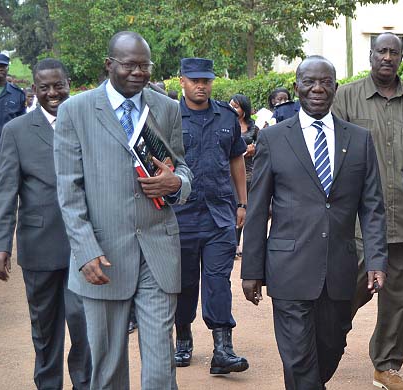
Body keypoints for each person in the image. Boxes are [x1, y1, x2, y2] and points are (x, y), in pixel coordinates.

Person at [54, 31, 193, 389]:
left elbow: (181, 167)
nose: (139, 72)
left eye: (145, 65)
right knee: (109, 364)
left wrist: (176, 183)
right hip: (102, 257)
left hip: (158, 250)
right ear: (109, 65)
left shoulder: (166, 108)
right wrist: (85, 251)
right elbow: (69, 190)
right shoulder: (76, 111)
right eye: (130, 64)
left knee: (162, 364)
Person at [241, 55, 388, 390]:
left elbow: (373, 208)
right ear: (297, 88)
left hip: (339, 269)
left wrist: (377, 259)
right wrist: (252, 269)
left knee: (331, 346)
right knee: (297, 357)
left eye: (325, 82)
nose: (317, 88)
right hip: (288, 267)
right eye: (309, 82)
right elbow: (258, 208)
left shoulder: (359, 139)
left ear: (335, 88)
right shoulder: (273, 138)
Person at [332, 31, 403, 389]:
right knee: (344, 293)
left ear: (402, 57)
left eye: (394, 52)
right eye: (382, 51)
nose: (388, 57)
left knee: (396, 302)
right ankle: (325, 347)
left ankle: (386, 365)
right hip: (358, 226)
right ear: (371, 55)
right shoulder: (345, 98)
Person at [0, 58, 92, 390]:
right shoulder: (16, 131)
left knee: (83, 324)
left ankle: (85, 384)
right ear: (34, 89)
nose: (53, 93)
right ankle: (48, 385)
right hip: (40, 246)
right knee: (46, 331)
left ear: (68, 84)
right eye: (44, 87)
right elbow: (5, 192)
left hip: (85, 248)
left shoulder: (87, 124)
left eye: (58, 85)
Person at [171, 58, 249, 374]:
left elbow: (237, 162)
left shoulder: (226, 117)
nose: (201, 85)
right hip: (181, 216)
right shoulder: (169, 118)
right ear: (182, 82)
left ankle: (223, 349)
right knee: (184, 284)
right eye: (194, 80)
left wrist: (242, 204)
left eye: (206, 80)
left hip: (219, 216)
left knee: (218, 282)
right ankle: (183, 339)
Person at [0, 53, 26, 238]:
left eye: (3, 66)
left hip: (8, 158)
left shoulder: (17, 95)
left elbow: (23, 127)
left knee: (6, 199)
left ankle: (1, 238)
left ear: (7, 68)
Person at [229, 93, 259, 257]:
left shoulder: (254, 128)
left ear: (244, 109)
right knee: (233, 207)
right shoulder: (227, 124)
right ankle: (233, 244)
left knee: (245, 208)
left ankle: (239, 244)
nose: (233, 108)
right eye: (231, 105)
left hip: (249, 173)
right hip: (229, 173)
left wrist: (254, 149)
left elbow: (263, 147)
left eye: (236, 106)